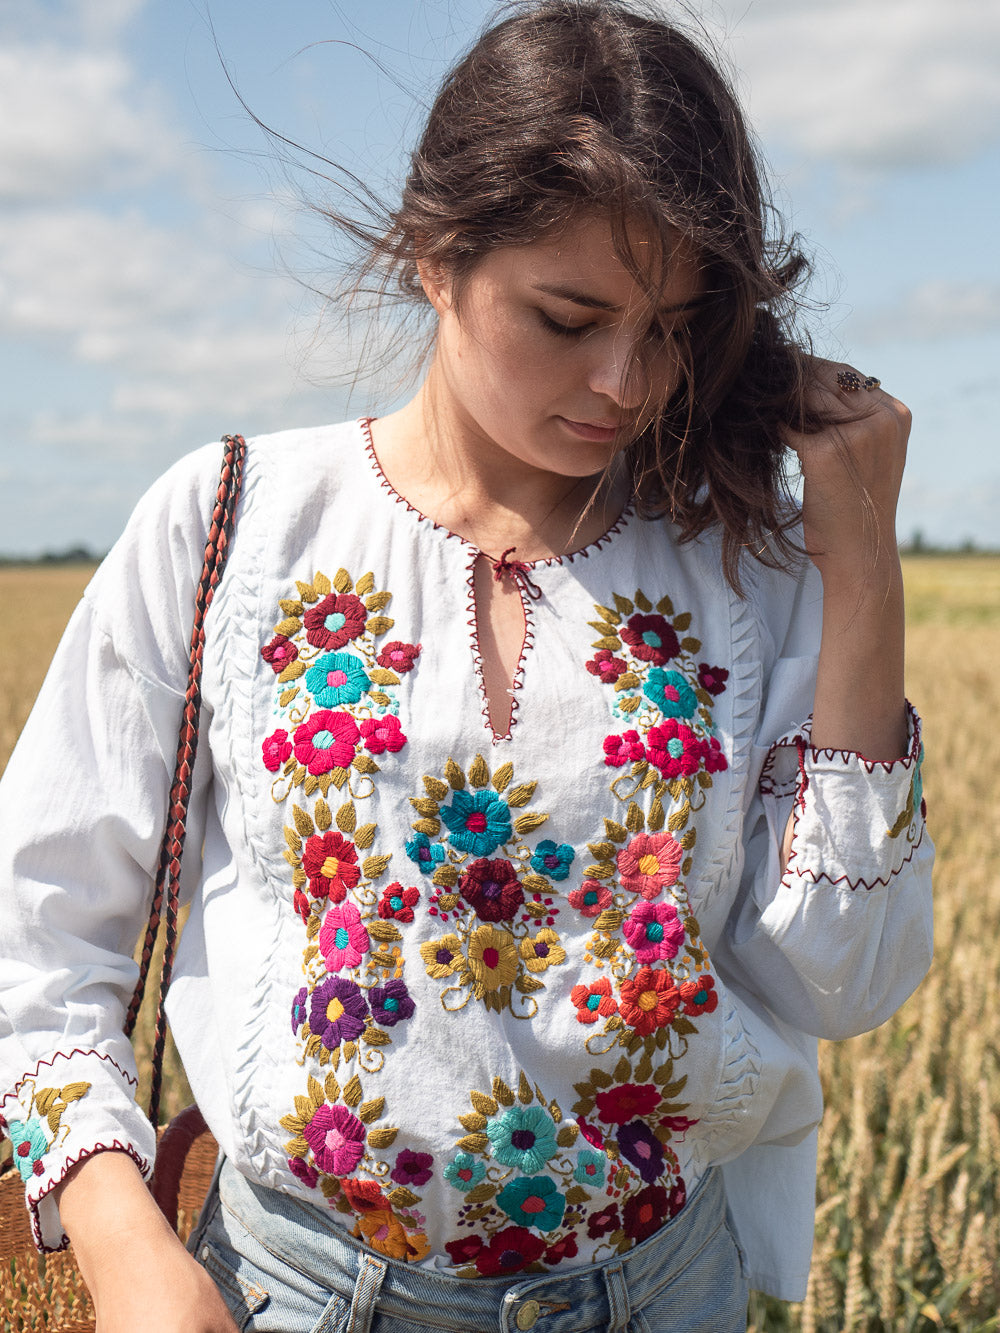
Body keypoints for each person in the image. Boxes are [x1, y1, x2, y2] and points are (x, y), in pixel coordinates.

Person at [0, 3, 933, 1330]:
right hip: (284, 1298)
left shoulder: (744, 570)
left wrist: (863, 567)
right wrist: (126, 1248)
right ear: (435, 255)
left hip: (668, 1296)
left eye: (673, 328)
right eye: (568, 316)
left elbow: (847, 978)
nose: (625, 380)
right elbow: (36, 937)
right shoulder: (233, 526)